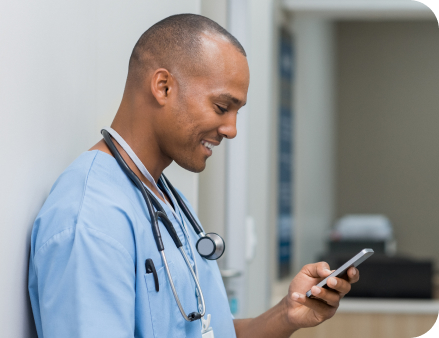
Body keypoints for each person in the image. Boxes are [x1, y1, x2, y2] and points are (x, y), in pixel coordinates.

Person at [28, 13, 359, 338]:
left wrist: (287, 314)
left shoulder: (167, 201)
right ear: (163, 86)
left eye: (236, 113)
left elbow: (212, 332)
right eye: (221, 108)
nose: (231, 130)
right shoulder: (91, 221)